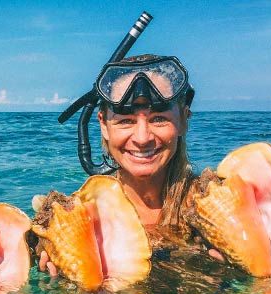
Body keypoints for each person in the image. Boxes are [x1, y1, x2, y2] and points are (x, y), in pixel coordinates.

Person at [40, 54, 221, 274]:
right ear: (104, 125)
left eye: (158, 118)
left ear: (183, 120)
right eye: (126, 121)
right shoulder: (77, 217)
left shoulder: (213, 204)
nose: (142, 138)